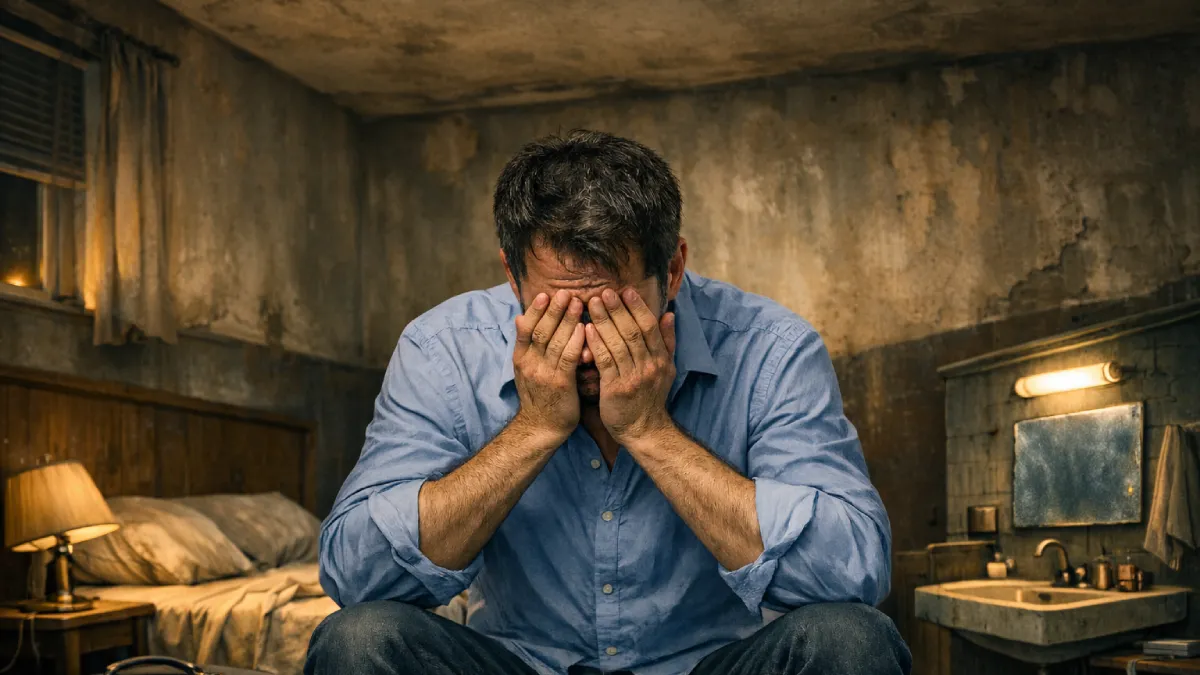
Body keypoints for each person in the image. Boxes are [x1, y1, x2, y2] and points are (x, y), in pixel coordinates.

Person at [306, 130, 911, 675]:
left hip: (705, 667)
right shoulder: (441, 349)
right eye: (557, 311)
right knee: (359, 640)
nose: (587, 346)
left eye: (616, 312)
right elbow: (356, 575)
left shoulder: (773, 349)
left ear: (672, 270)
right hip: (523, 665)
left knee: (850, 640)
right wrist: (535, 428)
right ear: (513, 278)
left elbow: (852, 569)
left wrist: (651, 432)